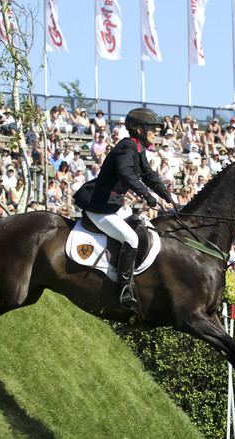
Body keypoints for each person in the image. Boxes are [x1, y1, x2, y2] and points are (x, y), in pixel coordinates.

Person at [74, 108, 174, 308]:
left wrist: (166, 195)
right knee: (131, 238)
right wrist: (147, 195)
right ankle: (123, 289)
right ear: (139, 129)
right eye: (152, 129)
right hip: (100, 205)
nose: (156, 133)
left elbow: (148, 174)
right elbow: (126, 173)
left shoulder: (138, 148)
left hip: (114, 204)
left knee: (141, 225)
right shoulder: (128, 147)